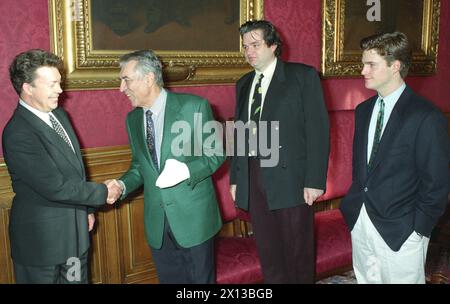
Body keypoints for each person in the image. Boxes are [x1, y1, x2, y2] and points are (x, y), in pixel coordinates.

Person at [2, 49, 120, 284]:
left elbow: (76, 169)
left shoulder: (60, 115)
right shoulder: (18, 132)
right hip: (42, 245)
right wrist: (103, 192)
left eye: (60, 82)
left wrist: (86, 210)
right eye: (52, 84)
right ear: (28, 87)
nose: (60, 90)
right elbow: (54, 186)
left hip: (75, 236)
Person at [340, 32, 449, 284]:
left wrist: (418, 230)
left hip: (402, 228)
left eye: (371, 64)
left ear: (395, 66)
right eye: (363, 63)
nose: (363, 71)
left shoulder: (426, 116)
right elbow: (362, 169)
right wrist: (356, 212)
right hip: (362, 219)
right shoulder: (363, 110)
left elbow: (437, 184)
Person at [107, 50, 224, 284]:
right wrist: (121, 185)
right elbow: (140, 167)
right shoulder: (132, 120)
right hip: (157, 222)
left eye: (126, 80)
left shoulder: (195, 107)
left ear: (149, 78)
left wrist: (186, 171)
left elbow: (216, 154)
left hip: (194, 220)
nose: (121, 88)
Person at [229, 20, 330, 283]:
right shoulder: (243, 83)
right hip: (253, 176)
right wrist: (236, 178)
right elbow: (239, 134)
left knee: (297, 251)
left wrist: (315, 180)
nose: (248, 51)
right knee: (268, 249)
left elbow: (318, 130)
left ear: (273, 45)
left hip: (292, 178)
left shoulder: (302, 76)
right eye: (245, 46)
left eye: (255, 44)